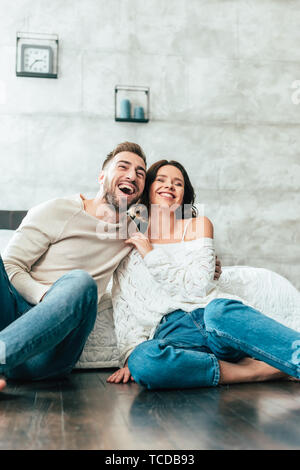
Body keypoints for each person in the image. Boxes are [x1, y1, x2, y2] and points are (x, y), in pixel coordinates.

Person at [107, 159, 300, 389]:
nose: (169, 186)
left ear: (184, 195)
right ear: (147, 188)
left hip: (212, 317)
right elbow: (124, 303)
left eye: (177, 183)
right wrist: (129, 356)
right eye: (160, 180)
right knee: (144, 360)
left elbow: (199, 287)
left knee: (220, 311)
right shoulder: (131, 242)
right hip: (172, 333)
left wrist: (151, 255)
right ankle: (258, 371)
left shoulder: (198, 225)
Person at [0, 142, 154, 392]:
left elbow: (167, 262)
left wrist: (207, 262)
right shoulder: (57, 210)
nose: (132, 176)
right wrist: (45, 295)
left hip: (52, 352)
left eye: (140, 173)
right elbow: (10, 265)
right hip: (11, 317)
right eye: (123, 167)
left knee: (81, 283)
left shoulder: (132, 235)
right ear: (102, 176)